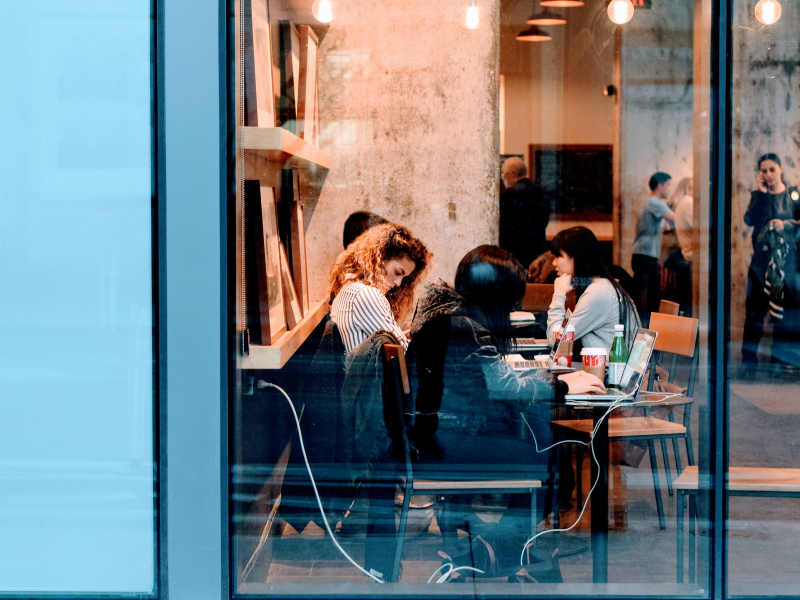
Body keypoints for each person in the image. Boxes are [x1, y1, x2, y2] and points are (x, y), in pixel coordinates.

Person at [409, 246, 605, 573]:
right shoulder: (466, 328)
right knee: (554, 461)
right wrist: (564, 384)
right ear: (496, 293)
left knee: (544, 437)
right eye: (513, 298)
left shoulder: (450, 316)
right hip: (448, 442)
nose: (515, 307)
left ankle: (502, 546)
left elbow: (494, 381)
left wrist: (548, 379)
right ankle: (507, 548)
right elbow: (506, 390)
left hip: (438, 434)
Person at [329, 223, 431, 355]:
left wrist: (404, 334)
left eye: (404, 278)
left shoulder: (351, 289)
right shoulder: (365, 295)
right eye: (398, 272)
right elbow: (402, 354)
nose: (399, 283)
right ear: (381, 259)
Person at [741, 153, 800, 375]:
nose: (768, 175)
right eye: (764, 171)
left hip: (785, 264)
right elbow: (749, 220)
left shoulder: (793, 195)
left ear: (781, 169)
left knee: (782, 316)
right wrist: (760, 194)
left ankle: (780, 361)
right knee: (754, 314)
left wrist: (786, 224)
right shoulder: (760, 196)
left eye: (772, 169)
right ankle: (749, 363)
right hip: (760, 263)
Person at [546, 227, 641, 355]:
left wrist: (558, 295)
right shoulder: (602, 286)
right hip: (604, 369)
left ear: (576, 257)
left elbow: (556, 341)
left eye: (558, 256)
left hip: (608, 372)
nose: (554, 263)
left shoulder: (598, 293)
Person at [631, 172, 676, 319]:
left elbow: (661, 226)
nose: (669, 189)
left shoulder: (652, 203)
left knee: (653, 292)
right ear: (659, 185)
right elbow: (676, 218)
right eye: (668, 185)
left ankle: (649, 325)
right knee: (641, 291)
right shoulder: (654, 202)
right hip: (645, 254)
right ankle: (636, 322)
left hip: (647, 254)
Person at [499, 157, 551, 268]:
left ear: (511, 173)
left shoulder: (508, 195)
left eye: (504, 175)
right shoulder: (542, 192)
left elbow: (504, 228)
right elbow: (545, 221)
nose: (505, 178)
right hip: (538, 251)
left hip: (515, 255)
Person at [664, 177, 694, 315]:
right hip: (691, 257)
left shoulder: (683, 202)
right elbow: (702, 229)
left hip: (686, 254)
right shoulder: (689, 203)